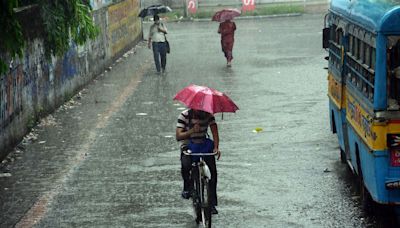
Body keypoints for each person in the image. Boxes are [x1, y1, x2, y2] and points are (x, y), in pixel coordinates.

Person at [176, 109, 221, 214]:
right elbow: (178, 136)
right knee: (186, 165)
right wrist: (191, 131)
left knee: (212, 172)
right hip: (188, 144)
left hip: (203, 144)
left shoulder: (209, 115)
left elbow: (214, 131)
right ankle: (187, 188)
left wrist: (216, 147)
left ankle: (212, 203)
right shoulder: (184, 115)